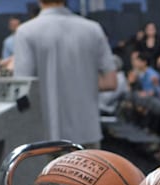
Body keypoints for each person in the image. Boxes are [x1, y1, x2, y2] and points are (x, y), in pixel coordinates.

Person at [13, 0, 116, 148]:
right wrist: (81, 80)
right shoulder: (93, 29)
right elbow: (111, 82)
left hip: (46, 138)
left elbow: (23, 90)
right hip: (87, 133)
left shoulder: (26, 32)